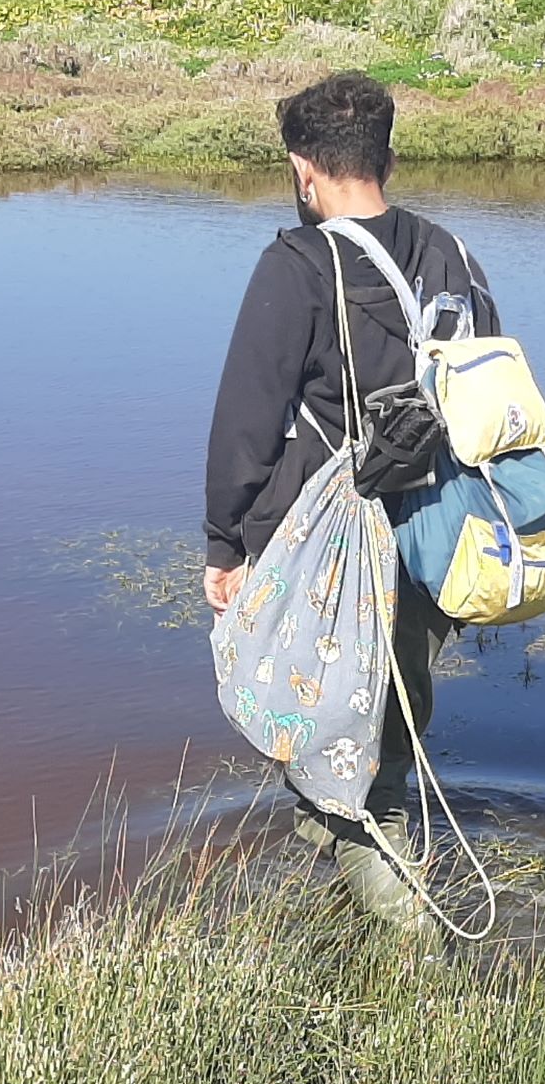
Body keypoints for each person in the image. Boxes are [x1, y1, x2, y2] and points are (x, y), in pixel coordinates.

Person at [202, 70, 497, 934]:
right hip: (436, 536)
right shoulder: (451, 254)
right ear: (387, 156)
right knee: (386, 728)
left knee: (347, 762)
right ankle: (335, 923)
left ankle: (418, 968)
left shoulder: (295, 265)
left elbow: (243, 427)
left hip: (322, 551)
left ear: (304, 169)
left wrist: (225, 546)